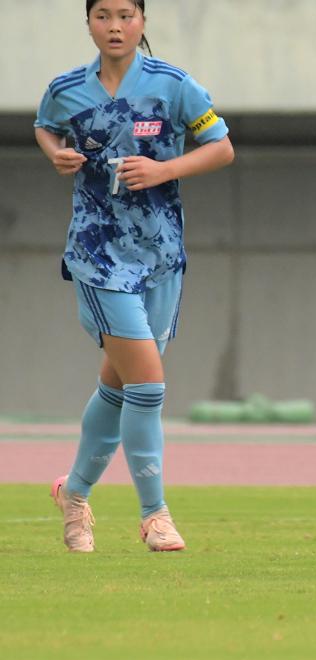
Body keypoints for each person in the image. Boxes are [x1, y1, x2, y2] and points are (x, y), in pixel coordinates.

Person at [35, 0, 235, 553]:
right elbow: (45, 128)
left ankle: (74, 494)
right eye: (103, 15)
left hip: (162, 255)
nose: (115, 26)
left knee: (121, 385)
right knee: (147, 383)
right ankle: (155, 516)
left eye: (125, 15)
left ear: (143, 20)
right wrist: (56, 153)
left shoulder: (174, 85)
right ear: (89, 23)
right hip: (98, 255)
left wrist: (165, 168)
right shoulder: (66, 89)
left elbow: (222, 148)